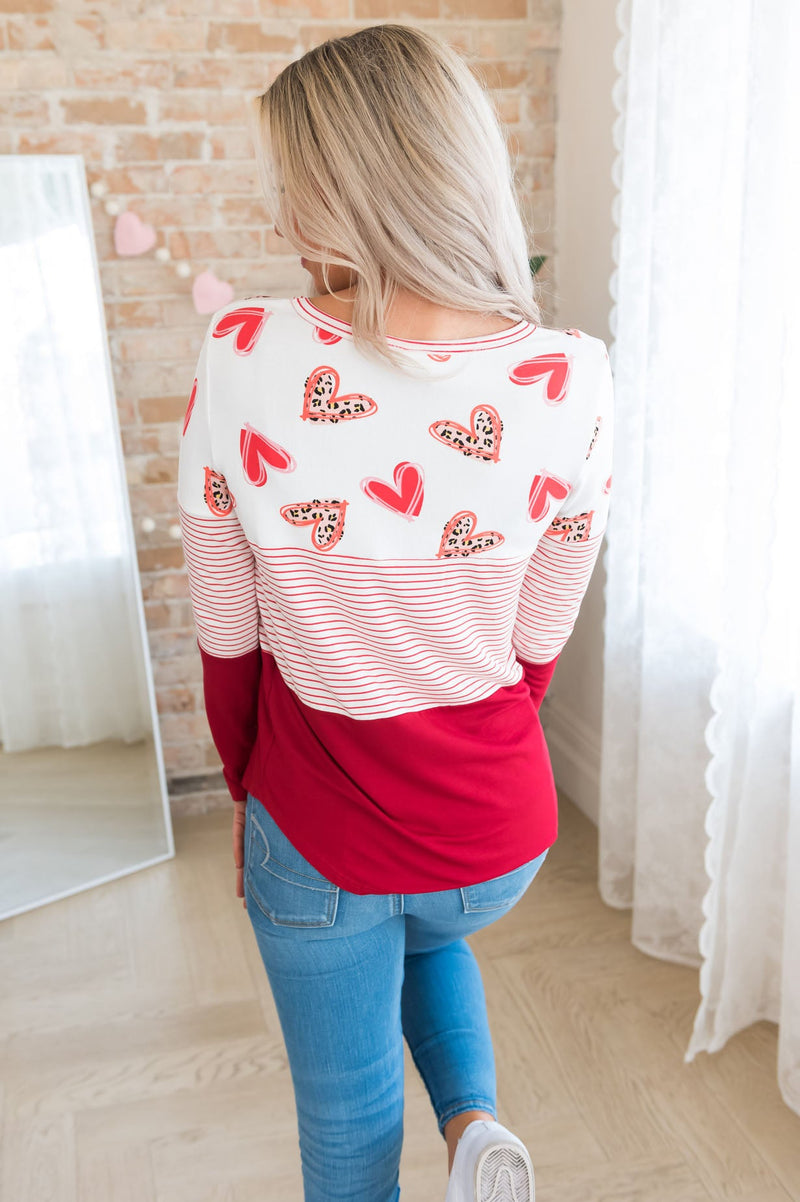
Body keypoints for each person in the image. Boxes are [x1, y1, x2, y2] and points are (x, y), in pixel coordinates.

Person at [176, 22, 614, 1202]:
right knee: (431, 932)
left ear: (348, 186)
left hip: (320, 829)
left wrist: (245, 780)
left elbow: (227, 625)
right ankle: (476, 1127)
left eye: (291, 181)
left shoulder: (243, 349)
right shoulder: (573, 374)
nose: (278, 213)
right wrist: (481, 721)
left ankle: (448, 1136)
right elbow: (540, 629)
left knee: (347, 1114)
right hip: (496, 831)